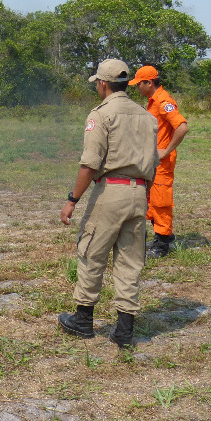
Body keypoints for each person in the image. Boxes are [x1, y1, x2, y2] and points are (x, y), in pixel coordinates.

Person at [58, 59, 159, 348]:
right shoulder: (146, 116)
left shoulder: (101, 115)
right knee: (130, 262)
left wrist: (72, 200)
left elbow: (90, 164)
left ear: (103, 84)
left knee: (92, 252)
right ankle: (124, 330)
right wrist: (145, 195)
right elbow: (152, 162)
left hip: (110, 192)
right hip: (139, 192)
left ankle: (83, 320)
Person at [131, 66, 188, 258]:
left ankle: (163, 244)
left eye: (139, 84)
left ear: (149, 83)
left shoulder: (164, 101)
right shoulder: (152, 102)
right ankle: (161, 236)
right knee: (151, 200)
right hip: (153, 161)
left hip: (162, 162)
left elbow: (181, 127)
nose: (137, 88)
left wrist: (166, 150)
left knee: (160, 201)